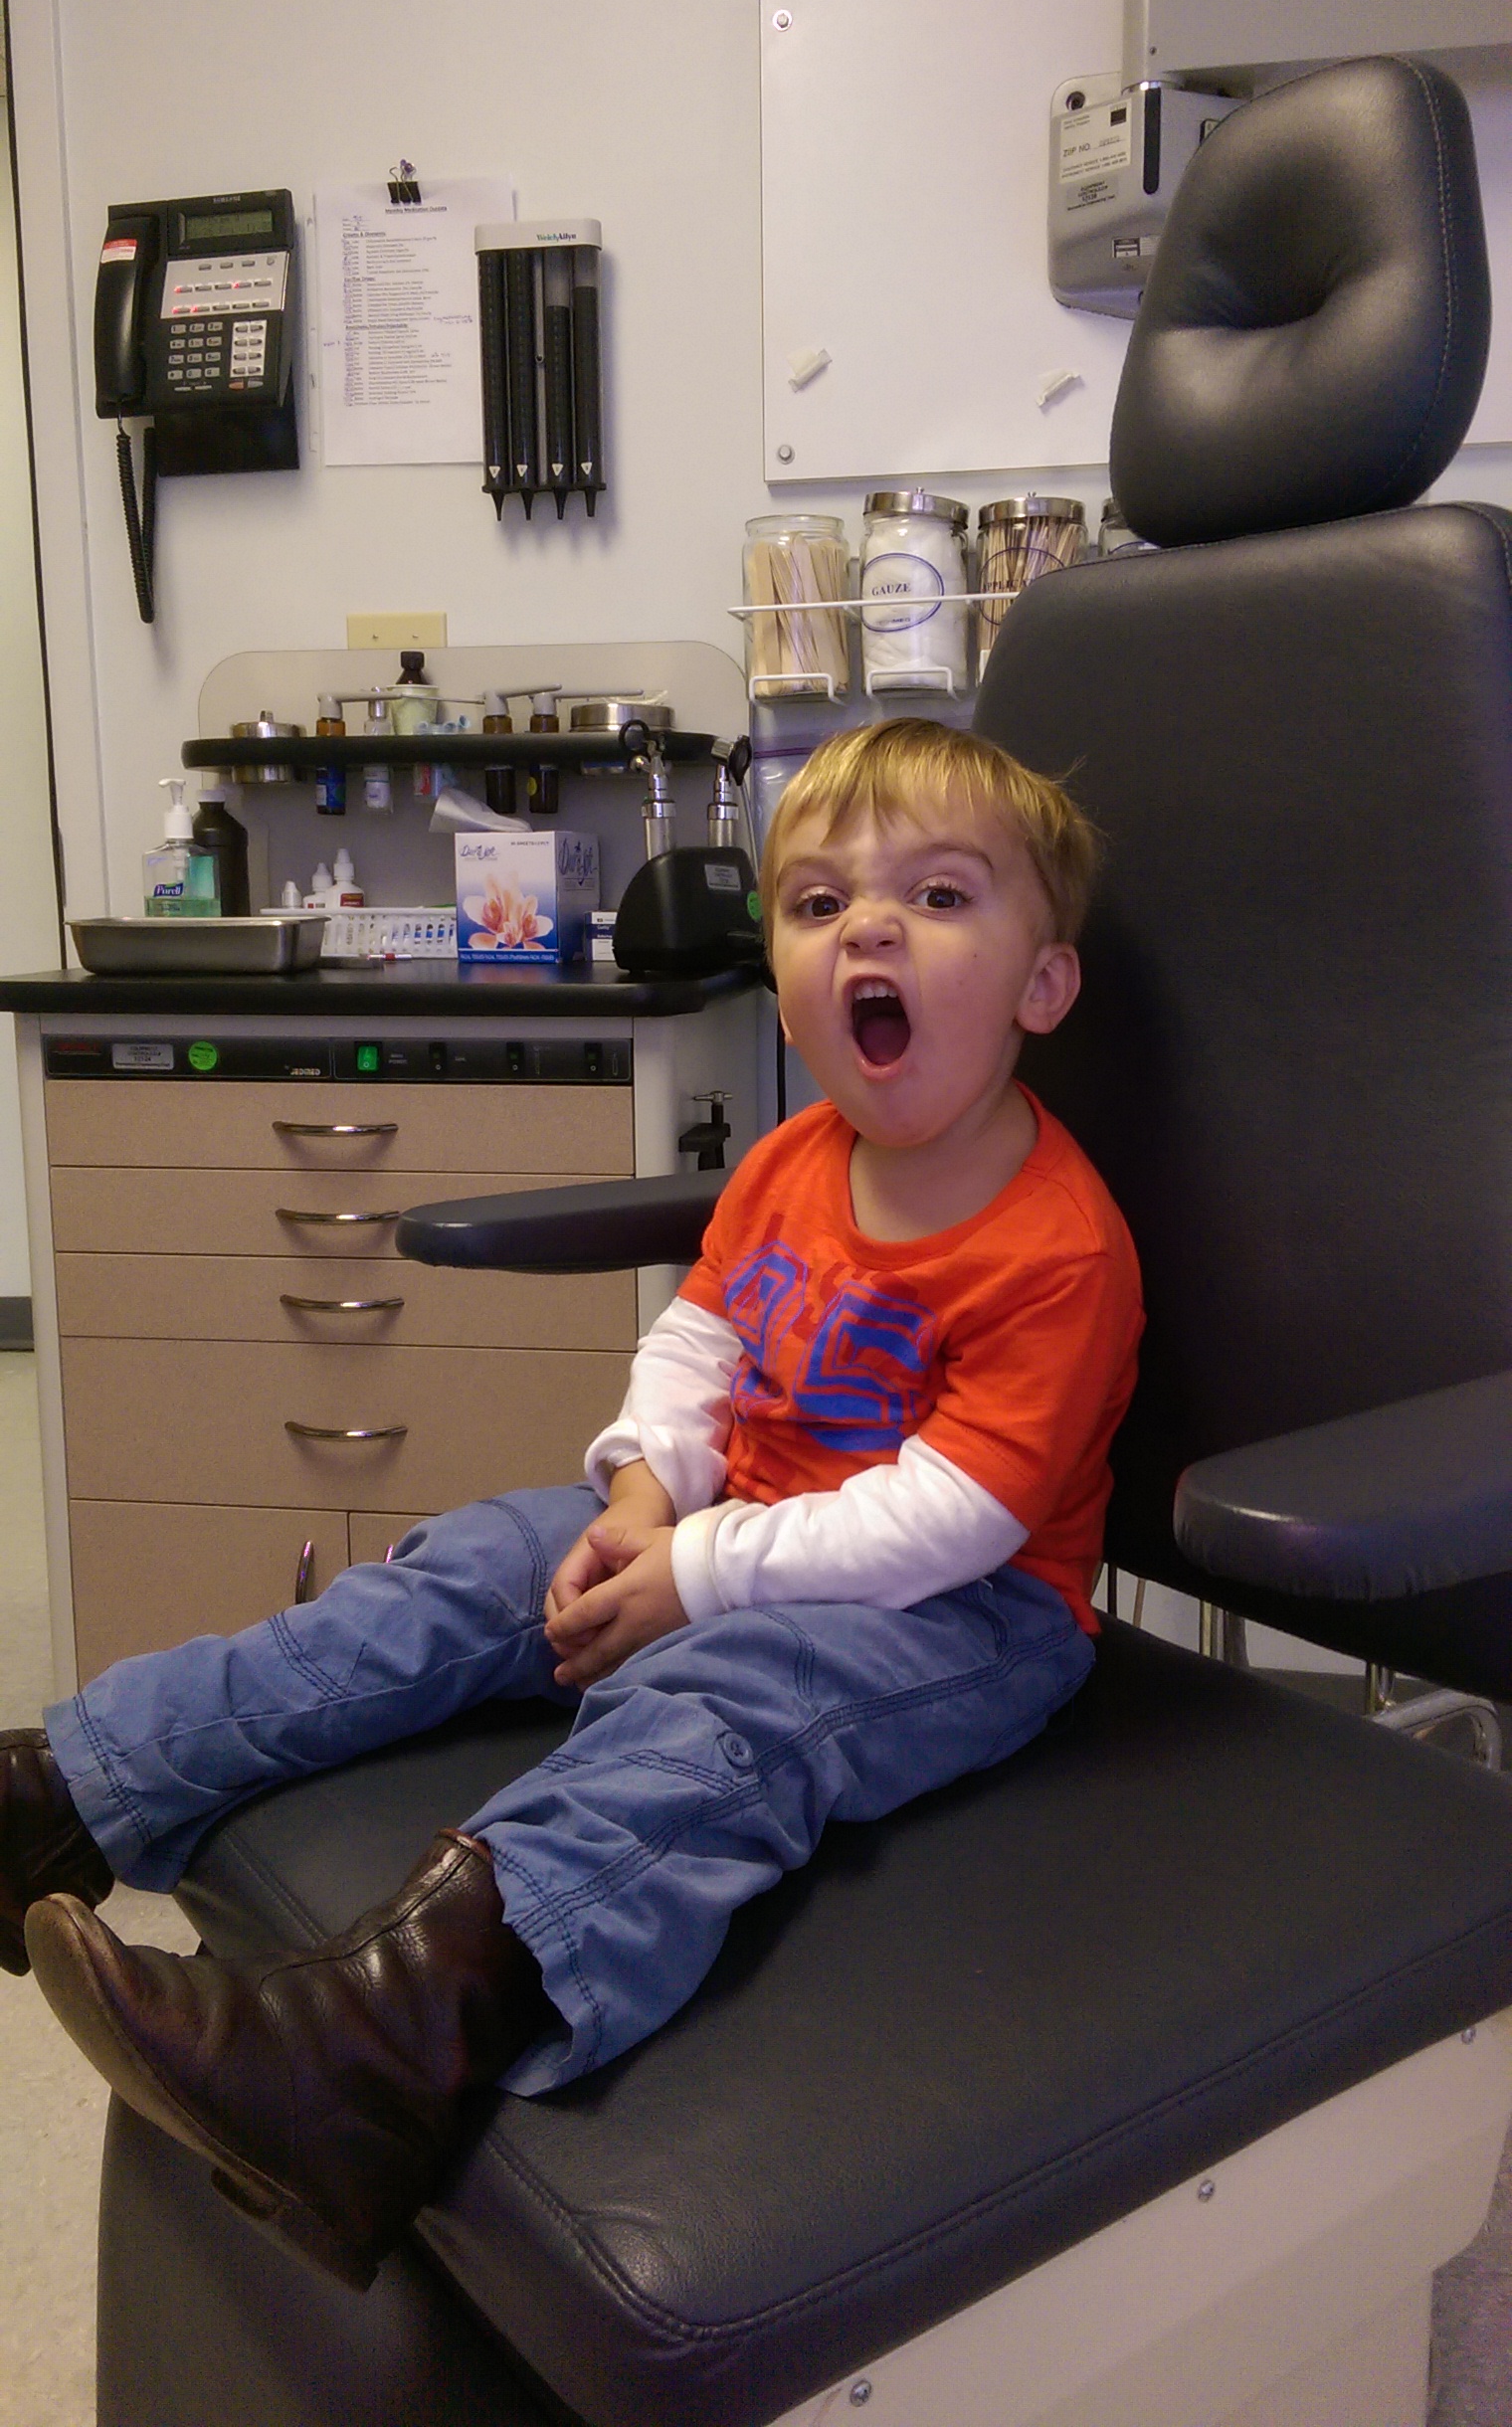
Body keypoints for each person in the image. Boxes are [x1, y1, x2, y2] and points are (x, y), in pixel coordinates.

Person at [3, 716, 1142, 2290]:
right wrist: (641, 1490)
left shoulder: (1057, 1247)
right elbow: (700, 1343)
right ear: (786, 984)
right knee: (483, 1560)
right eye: (818, 904)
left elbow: (949, 1522)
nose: (868, 929)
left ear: (1042, 985)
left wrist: (698, 1576)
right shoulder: (793, 1163)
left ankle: (369, 2056)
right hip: (737, 1520)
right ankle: (66, 1790)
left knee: (732, 1699)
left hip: (970, 1612)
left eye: (938, 898)